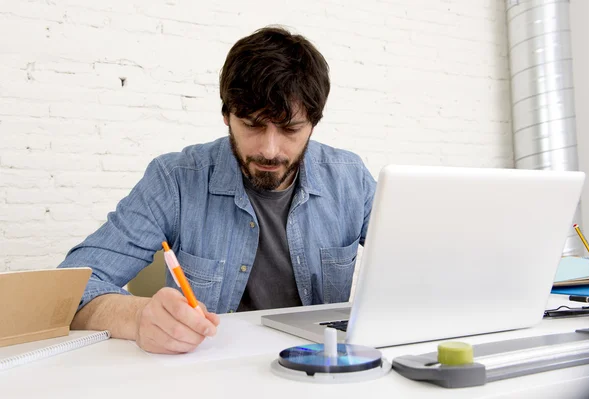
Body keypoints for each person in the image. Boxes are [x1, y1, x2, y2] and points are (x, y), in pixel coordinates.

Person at [58, 26, 377, 354]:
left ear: (313, 122)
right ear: (226, 114)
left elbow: (423, 264)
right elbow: (68, 288)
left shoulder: (351, 180)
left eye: (290, 129)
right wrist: (138, 316)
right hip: (209, 371)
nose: (269, 149)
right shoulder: (177, 180)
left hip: (321, 369)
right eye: (252, 125)